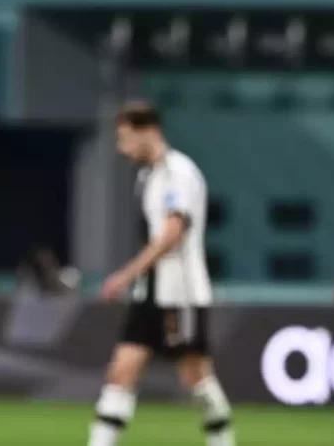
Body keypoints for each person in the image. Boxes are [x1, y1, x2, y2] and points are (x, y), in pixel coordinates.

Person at [88, 102, 235, 446]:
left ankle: (223, 440)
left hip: (180, 293)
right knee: (121, 371)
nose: (121, 148)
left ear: (149, 131)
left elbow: (172, 233)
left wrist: (125, 275)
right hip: (149, 293)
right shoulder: (148, 176)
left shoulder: (178, 172)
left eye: (125, 138)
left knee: (196, 378)